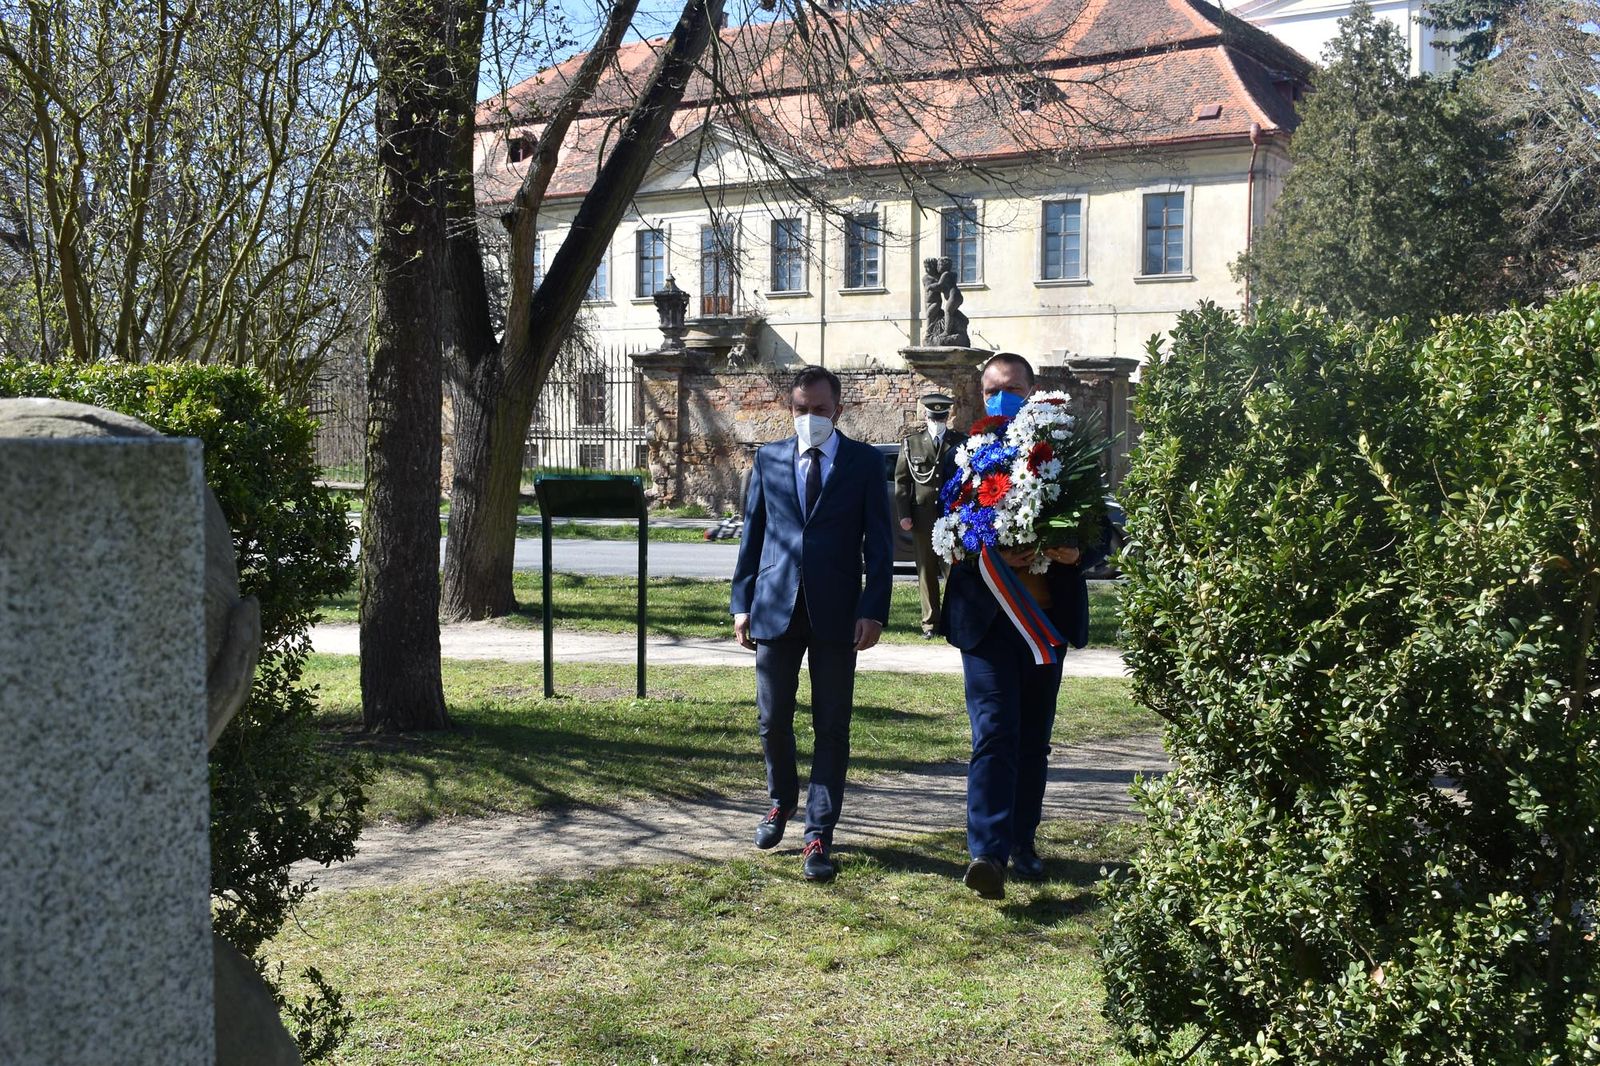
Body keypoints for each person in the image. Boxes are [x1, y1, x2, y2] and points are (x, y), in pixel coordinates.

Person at [939, 352, 1105, 900]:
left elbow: (1099, 531)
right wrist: (983, 550)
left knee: (1033, 739)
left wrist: (1073, 551)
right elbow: (947, 530)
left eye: (1011, 388)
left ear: (1033, 390)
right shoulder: (964, 455)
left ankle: (1021, 841)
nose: (1000, 398)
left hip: (1044, 623)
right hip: (986, 624)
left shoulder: (1065, 451)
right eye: (991, 389)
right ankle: (986, 853)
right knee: (994, 733)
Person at [730, 365, 894, 883]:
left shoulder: (864, 463)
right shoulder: (769, 458)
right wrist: (741, 602)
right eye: (801, 410)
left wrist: (873, 609)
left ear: (837, 410)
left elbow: (880, 544)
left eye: (820, 410)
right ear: (791, 409)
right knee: (772, 718)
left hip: (838, 611)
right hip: (774, 605)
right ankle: (781, 801)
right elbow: (753, 533)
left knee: (832, 724)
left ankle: (819, 833)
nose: (810, 418)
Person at [893, 392, 966, 638]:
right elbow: (902, 482)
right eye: (934, 417)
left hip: (952, 517)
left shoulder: (961, 442)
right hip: (922, 516)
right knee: (926, 569)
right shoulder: (911, 443)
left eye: (941, 417)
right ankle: (930, 623)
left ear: (947, 417)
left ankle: (954, 620)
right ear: (926, 417)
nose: (937, 422)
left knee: (954, 570)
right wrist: (904, 514)